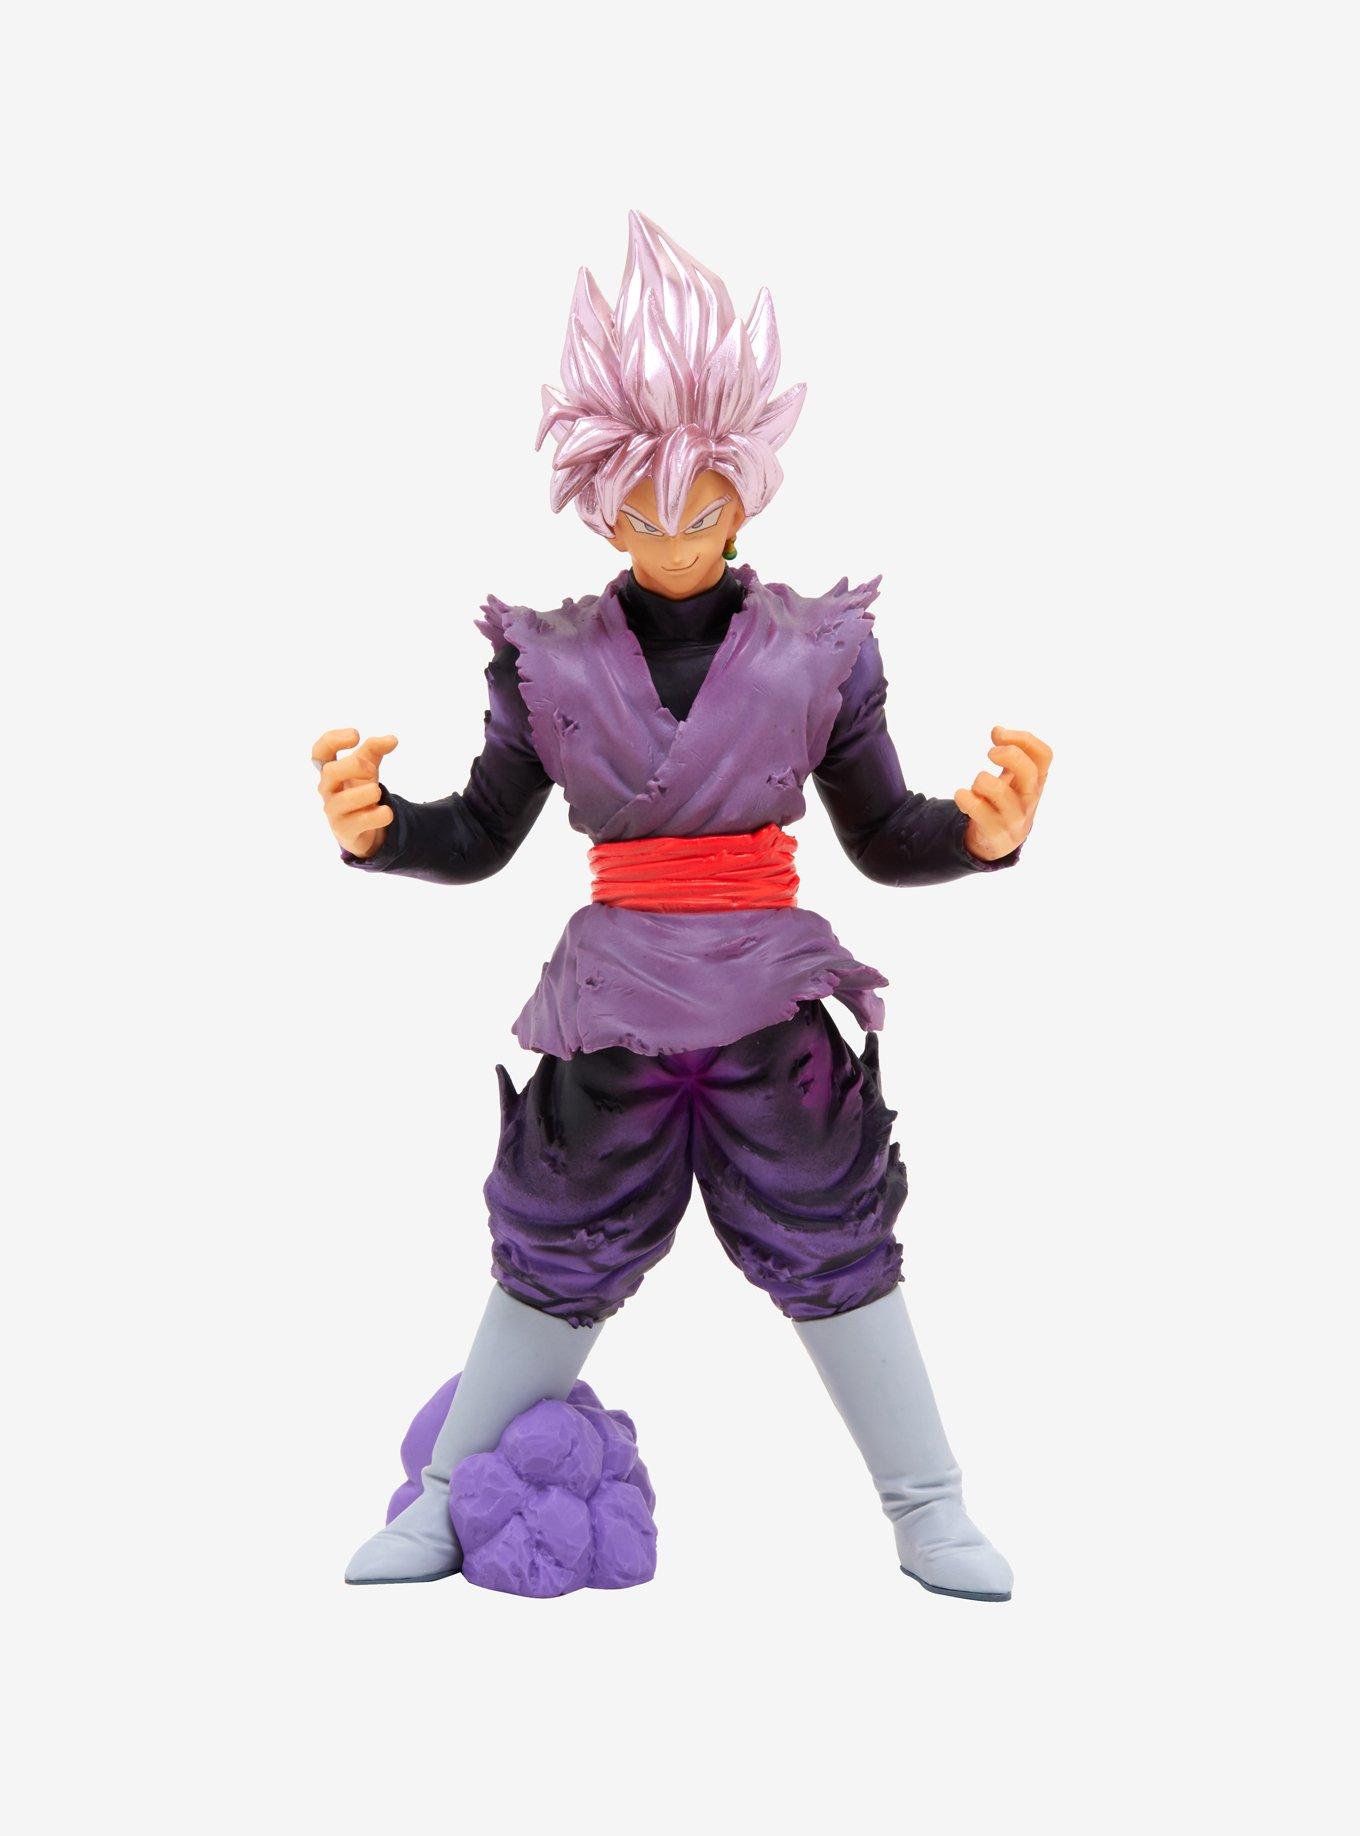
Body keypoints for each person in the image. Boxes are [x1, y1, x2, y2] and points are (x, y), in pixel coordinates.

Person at [315, 214, 1051, 1600]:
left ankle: (929, 1508)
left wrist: (976, 835)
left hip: (771, 998)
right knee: (556, 1241)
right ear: (599, 506)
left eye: (698, 508)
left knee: (837, 1237)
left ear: (744, 496)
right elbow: (482, 831)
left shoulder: (819, 649)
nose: (669, 537)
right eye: (640, 513)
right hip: (615, 1005)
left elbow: (881, 833)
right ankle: (442, 1501)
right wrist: (385, 831)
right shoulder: (545, 658)